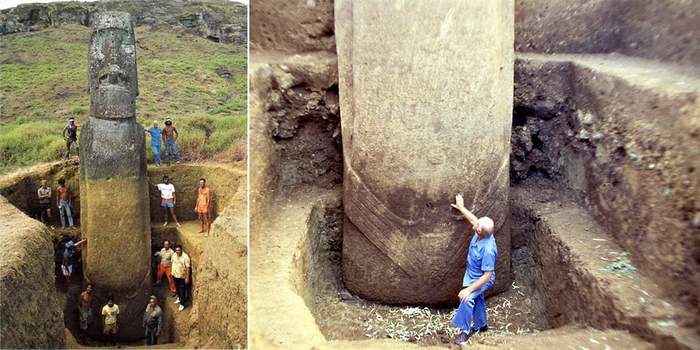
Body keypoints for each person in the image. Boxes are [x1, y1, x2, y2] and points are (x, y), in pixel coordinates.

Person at [449, 194, 498, 345]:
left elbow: (487, 275)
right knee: (478, 300)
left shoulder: (488, 249)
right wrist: (462, 207)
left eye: (476, 227)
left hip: (482, 279)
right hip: (472, 274)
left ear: (480, 232)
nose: (473, 225)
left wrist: (468, 290)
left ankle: (464, 332)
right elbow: (473, 219)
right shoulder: (481, 230)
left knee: (467, 299)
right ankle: (482, 326)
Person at [171, 245, 191, 311]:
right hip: (175, 275)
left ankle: (182, 304)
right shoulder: (174, 255)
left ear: (181, 250)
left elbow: (188, 268)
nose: (177, 252)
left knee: (182, 290)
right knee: (177, 288)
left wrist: (187, 277)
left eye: (179, 250)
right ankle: (179, 298)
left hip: (182, 276)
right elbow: (173, 263)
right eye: (176, 250)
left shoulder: (185, 257)